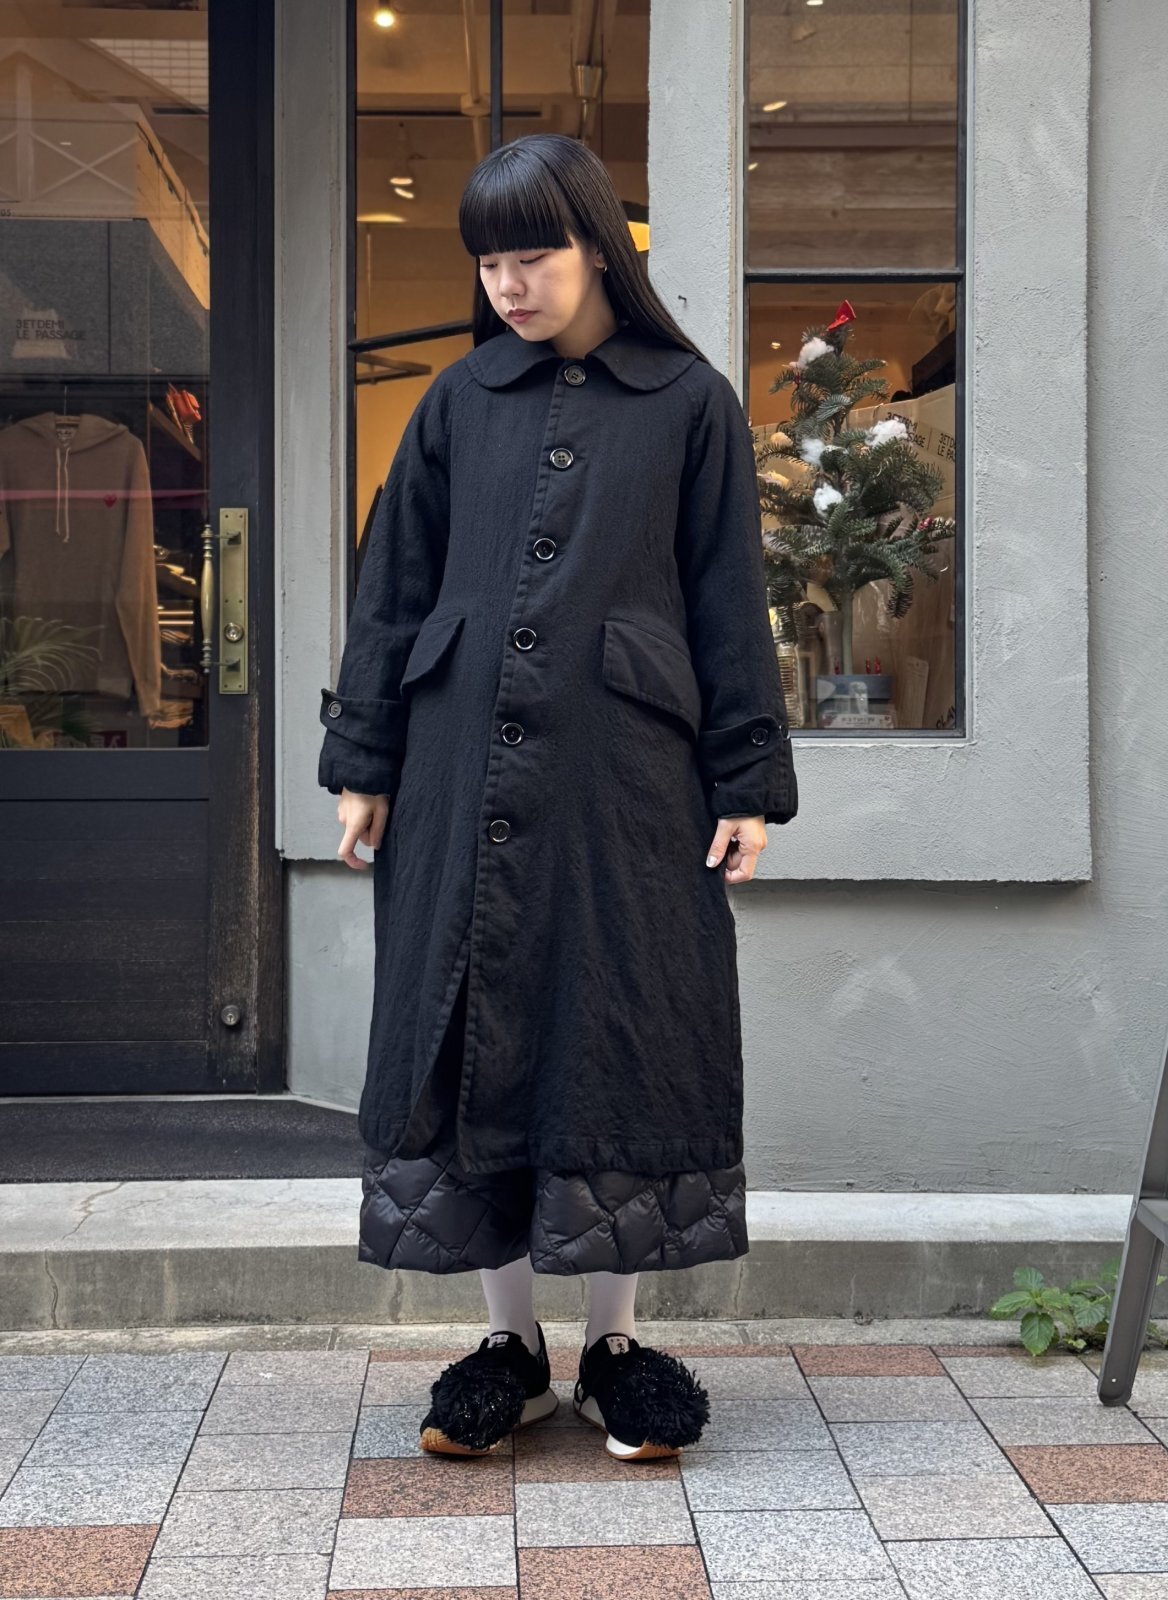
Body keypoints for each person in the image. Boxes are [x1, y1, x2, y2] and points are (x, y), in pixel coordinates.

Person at [317, 133, 799, 1462]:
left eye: (532, 254)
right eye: (489, 261)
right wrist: (365, 761)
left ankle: (616, 1348)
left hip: (628, 780)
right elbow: (391, 590)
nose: (509, 283)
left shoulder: (688, 403)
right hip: (453, 765)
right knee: (471, 1026)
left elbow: (727, 598)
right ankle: (509, 1347)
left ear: (599, 247)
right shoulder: (457, 402)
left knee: (616, 1027)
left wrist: (747, 779)